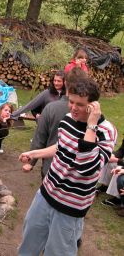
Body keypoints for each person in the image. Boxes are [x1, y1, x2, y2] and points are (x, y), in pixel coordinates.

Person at [18, 76, 116, 255]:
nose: (73, 108)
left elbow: (87, 168)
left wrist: (91, 125)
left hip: (70, 208)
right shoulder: (68, 118)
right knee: (28, 244)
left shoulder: (106, 131)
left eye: (79, 104)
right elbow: (61, 146)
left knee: (57, 252)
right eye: (71, 101)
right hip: (45, 194)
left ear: (93, 105)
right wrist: (35, 154)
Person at [23, 68, 88, 179]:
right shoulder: (92, 111)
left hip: (52, 168)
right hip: (80, 172)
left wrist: (30, 162)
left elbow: (40, 138)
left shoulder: (51, 108)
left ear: (65, 83)